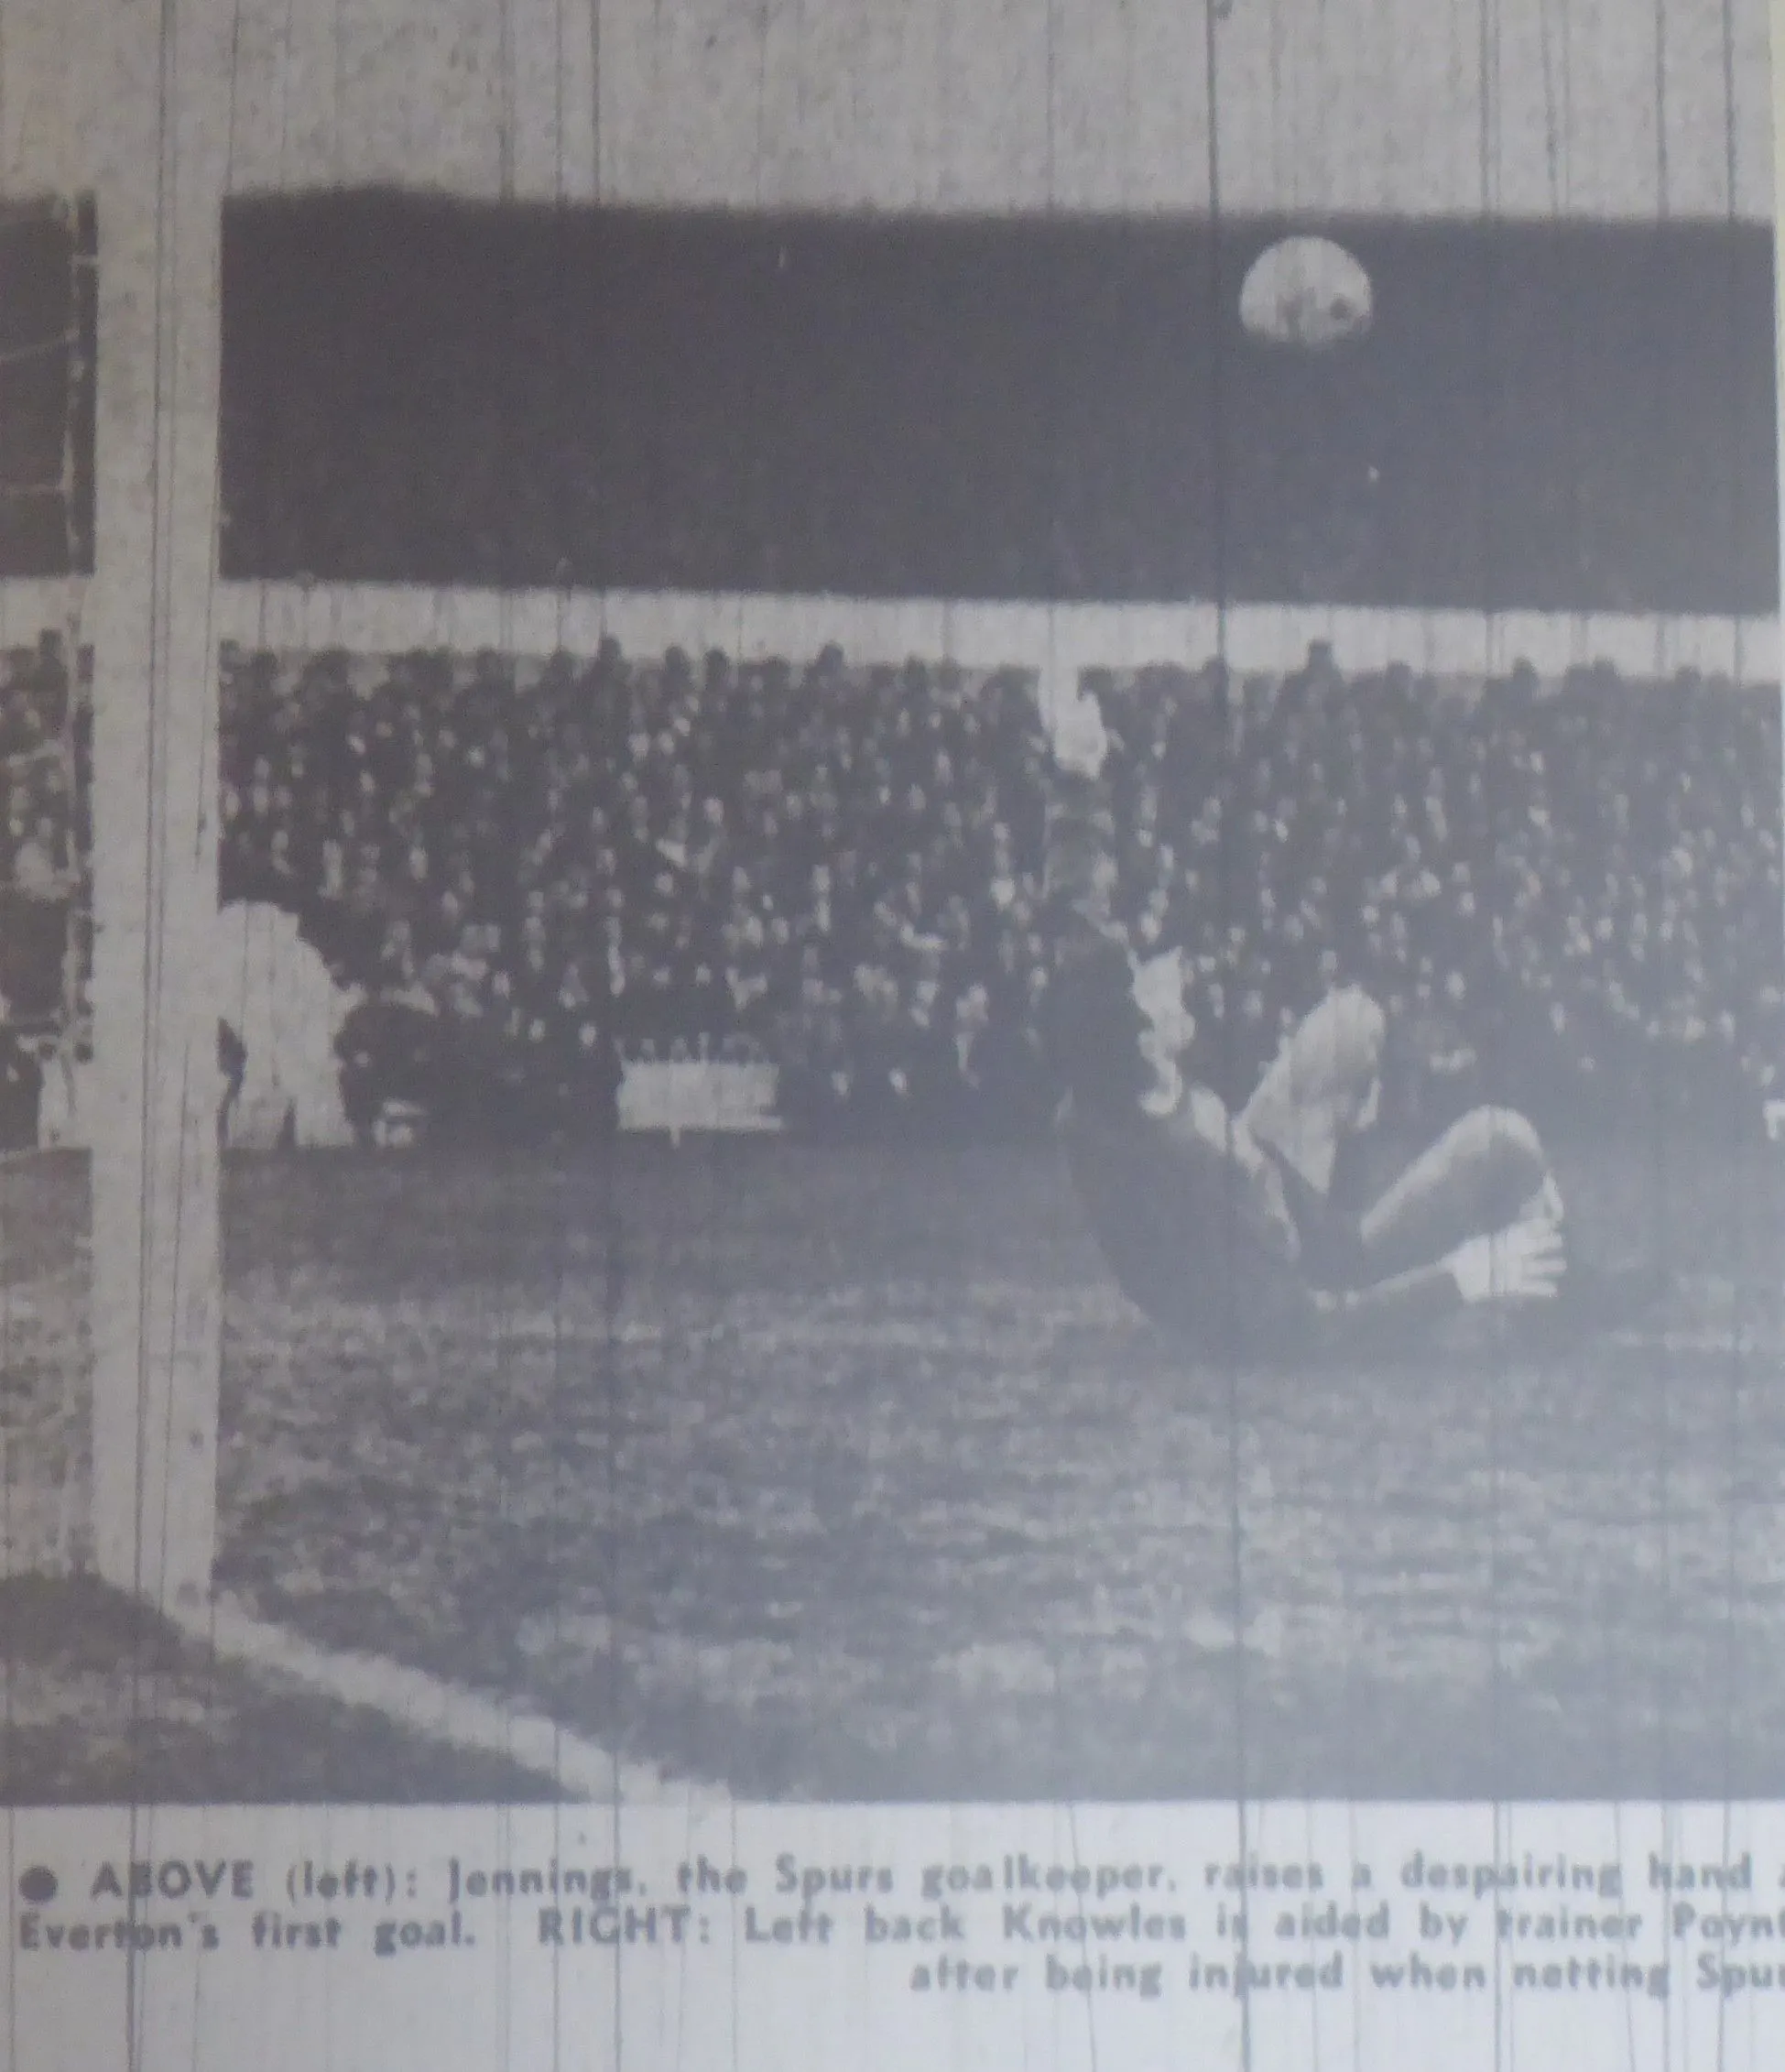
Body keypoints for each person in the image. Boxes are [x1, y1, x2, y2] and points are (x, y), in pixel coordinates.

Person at [1041, 680, 1572, 1361]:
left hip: (1280, 1222)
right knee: (1505, 1140)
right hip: (1279, 1271)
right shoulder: (1186, 1181)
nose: (1170, 972)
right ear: (1147, 1039)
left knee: (1350, 1025)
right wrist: (1458, 1280)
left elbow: (1075, 910)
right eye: (1153, 982)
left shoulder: (1111, 1074)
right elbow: (1299, 1329)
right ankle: (1558, 1283)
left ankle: (1532, 1274)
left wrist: (1075, 779)